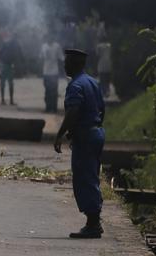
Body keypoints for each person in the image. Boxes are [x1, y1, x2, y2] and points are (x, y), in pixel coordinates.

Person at [54, 48, 106, 239]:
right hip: (96, 133)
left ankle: (93, 224)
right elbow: (101, 109)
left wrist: (60, 134)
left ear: (75, 64)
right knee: (91, 174)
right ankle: (94, 220)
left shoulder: (75, 86)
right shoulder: (92, 82)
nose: (64, 64)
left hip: (86, 137)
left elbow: (73, 112)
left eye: (67, 61)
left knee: (85, 177)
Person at [0, 28, 23, 106]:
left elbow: (0, 52)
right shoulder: (12, 43)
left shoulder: (8, 43)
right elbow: (18, 55)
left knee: (6, 83)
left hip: (7, 65)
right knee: (6, 83)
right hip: (6, 65)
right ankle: (6, 100)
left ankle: (6, 100)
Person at [40, 35, 64, 113]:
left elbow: (61, 57)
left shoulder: (57, 46)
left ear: (53, 38)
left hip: (54, 71)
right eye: (48, 38)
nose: (49, 39)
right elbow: (40, 57)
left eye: (50, 38)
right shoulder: (44, 46)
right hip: (46, 71)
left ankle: (54, 108)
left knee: (54, 91)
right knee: (47, 90)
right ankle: (48, 107)